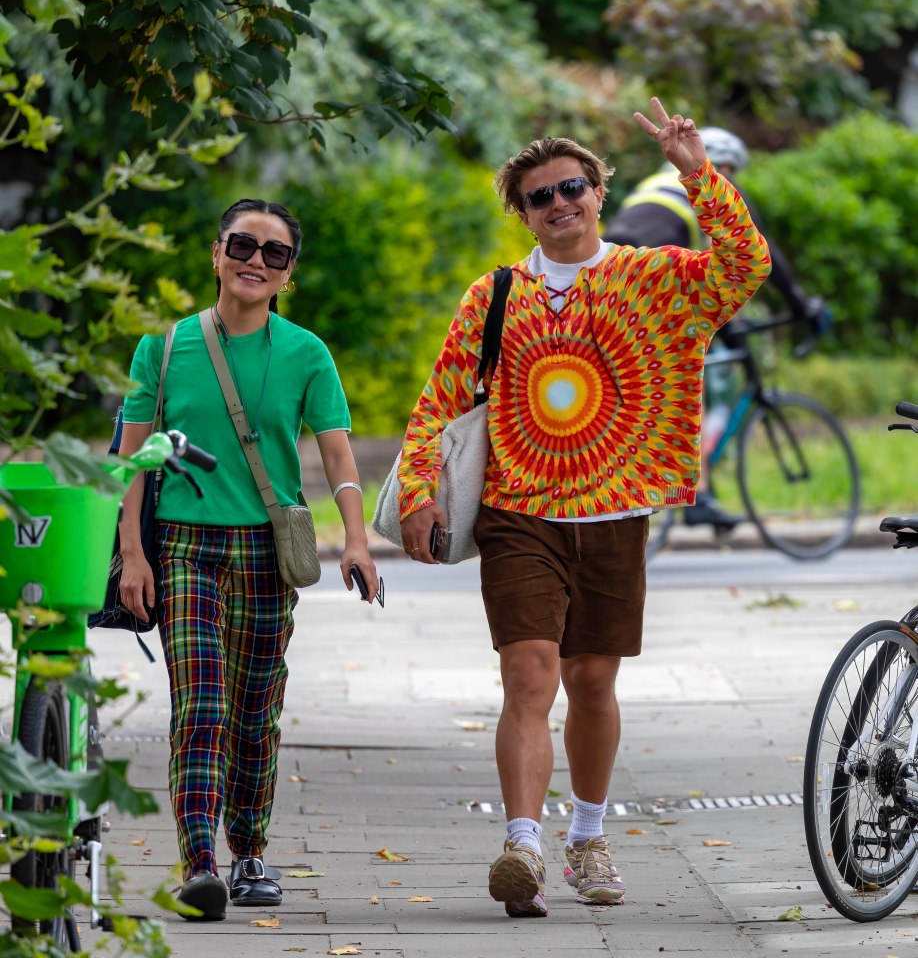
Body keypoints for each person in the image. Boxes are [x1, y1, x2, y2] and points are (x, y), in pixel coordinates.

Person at [396, 98, 771, 918]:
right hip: (518, 511)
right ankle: (523, 845)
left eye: (572, 187)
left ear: (598, 192)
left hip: (615, 512)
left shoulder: (654, 279)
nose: (559, 203)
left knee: (593, 682)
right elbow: (441, 400)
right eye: (540, 196)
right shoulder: (494, 295)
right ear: (522, 212)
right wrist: (419, 491)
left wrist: (696, 171)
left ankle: (588, 837)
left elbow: (745, 265)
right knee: (529, 674)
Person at [117, 198, 380, 921]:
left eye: (275, 254)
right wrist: (133, 553)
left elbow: (338, 459)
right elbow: (133, 461)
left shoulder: (306, 353)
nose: (256, 262)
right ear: (216, 251)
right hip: (185, 547)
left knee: (256, 710)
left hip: (268, 552)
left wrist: (356, 539)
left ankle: (251, 851)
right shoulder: (164, 349)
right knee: (201, 705)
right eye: (243, 245)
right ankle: (200, 861)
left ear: (289, 273)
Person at [604, 125, 824, 529]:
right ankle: (698, 495)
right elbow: (760, 252)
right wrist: (803, 307)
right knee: (688, 373)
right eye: (730, 170)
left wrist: (724, 324)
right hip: (652, 281)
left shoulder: (655, 184)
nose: (731, 179)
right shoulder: (708, 186)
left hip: (614, 276)